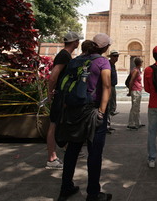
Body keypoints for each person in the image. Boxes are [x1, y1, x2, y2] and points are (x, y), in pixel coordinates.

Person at [58, 33, 113, 201]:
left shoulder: (76, 60)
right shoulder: (103, 62)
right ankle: (93, 193)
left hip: (75, 110)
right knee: (94, 152)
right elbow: (106, 86)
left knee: (72, 149)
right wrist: (102, 112)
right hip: (92, 111)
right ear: (104, 48)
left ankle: (66, 187)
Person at [46, 32, 80, 170]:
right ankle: (52, 158)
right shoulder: (64, 55)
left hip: (62, 95)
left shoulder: (65, 55)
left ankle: (66, 147)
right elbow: (54, 76)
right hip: (60, 95)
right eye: (78, 41)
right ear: (75, 42)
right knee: (54, 125)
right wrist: (50, 92)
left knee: (61, 123)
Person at [127, 57, 144, 130]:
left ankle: (138, 122)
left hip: (138, 90)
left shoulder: (137, 70)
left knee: (137, 107)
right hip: (135, 90)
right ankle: (131, 124)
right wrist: (130, 92)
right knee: (134, 108)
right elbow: (131, 81)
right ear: (140, 63)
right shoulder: (135, 71)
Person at [106, 50, 119, 133]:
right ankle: (106, 125)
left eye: (117, 56)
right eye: (114, 56)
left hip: (113, 87)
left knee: (112, 106)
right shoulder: (108, 65)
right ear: (111, 56)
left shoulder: (113, 65)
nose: (116, 58)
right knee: (108, 105)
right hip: (109, 86)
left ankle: (108, 124)